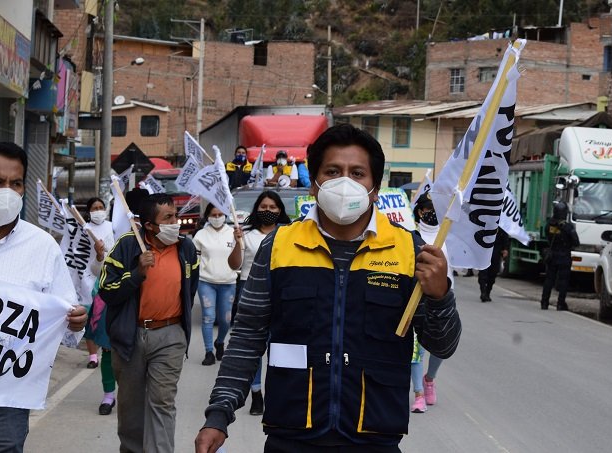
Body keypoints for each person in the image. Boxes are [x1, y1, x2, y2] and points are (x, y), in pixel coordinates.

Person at [195, 124, 461, 452]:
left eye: (357, 173)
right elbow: (248, 336)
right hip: (291, 437)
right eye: (333, 171)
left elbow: (443, 345)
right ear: (314, 185)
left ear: (374, 188)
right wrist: (219, 413)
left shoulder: (409, 250)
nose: (344, 182)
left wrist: (440, 296)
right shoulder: (279, 245)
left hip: (374, 438)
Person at [0, 141, 87, 451]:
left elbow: (65, 322)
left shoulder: (43, 247)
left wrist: (75, 322)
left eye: (16, 183)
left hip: (9, 394)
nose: (7, 190)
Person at [99, 193, 199, 453]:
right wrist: (136, 274)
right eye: (168, 218)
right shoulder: (126, 246)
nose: (176, 222)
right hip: (131, 337)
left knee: (162, 402)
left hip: (170, 336)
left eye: (175, 215)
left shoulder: (186, 248)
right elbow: (107, 291)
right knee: (131, 408)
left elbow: (190, 289)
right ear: (150, 226)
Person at [228, 190, 292, 416]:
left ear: (280, 210)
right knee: (254, 346)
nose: (268, 211)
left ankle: (278, 392)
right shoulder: (245, 233)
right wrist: (237, 243)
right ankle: (256, 394)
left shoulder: (289, 234)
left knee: (279, 346)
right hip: (249, 289)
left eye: (273, 208)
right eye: (263, 207)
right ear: (257, 209)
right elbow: (234, 265)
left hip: (281, 293)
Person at [411, 193, 453, 412]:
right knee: (416, 349)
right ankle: (418, 393)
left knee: (439, 347)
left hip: (443, 299)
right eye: (430, 209)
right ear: (421, 211)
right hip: (417, 300)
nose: (435, 214)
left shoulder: (447, 236)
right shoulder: (411, 236)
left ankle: (430, 379)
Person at [81, 197, 117, 415]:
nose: (98, 212)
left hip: (128, 299)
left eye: (101, 208)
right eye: (94, 208)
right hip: (103, 295)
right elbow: (96, 269)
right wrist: (100, 254)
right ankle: (108, 395)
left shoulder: (119, 230)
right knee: (108, 348)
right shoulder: (85, 232)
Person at [192, 204, 239, 366]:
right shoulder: (200, 235)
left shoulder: (234, 233)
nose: (217, 217)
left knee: (226, 319)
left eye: (220, 214)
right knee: (208, 317)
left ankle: (220, 342)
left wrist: (239, 240)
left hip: (228, 282)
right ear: (208, 216)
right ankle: (208, 352)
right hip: (206, 282)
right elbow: (194, 261)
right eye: (214, 214)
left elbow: (240, 257)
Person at [540, 201, 580, 311]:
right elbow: (576, 242)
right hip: (564, 257)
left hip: (552, 256)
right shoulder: (568, 227)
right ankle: (560, 303)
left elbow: (547, 236)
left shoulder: (549, 225)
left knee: (549, 279)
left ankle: (544, 302)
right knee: (563, 281)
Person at [477, 229, 509, 302]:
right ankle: (483, 292)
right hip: (484, 253)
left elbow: (505, 238)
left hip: (496, 254)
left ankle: (488, 292)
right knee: (482, 274)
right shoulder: (484, 224)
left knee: (492, 274)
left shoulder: (501, 227)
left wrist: (505, 249)